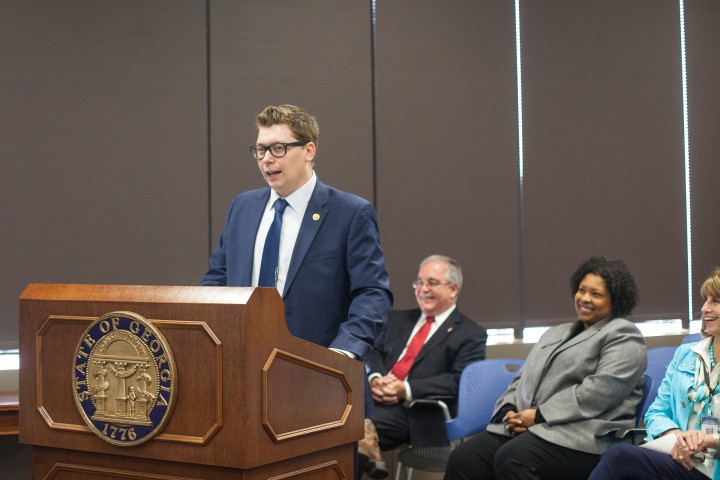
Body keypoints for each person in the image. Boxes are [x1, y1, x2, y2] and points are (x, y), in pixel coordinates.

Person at [199, 105, 393, 431]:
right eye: (260, 150)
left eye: (278, 148)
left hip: (319, 382)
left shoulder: (350, 213)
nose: (266, 159)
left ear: (308, 151)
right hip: (243, 379)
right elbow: (218, 278)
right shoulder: (242, 207)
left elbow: (373, 292)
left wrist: (342, 355)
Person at [444, 256, 646, 480]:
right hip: (540, 428)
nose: (585, 299)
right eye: (581, 290)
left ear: (615, 300)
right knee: (465, 458)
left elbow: (599, 392)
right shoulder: (555, 333)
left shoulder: (624, 335)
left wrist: (539, 415)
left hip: (588, 435)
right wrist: (509, 411)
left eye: (596, 294)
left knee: (513, 458)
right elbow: (522, 378)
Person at [360, 255, 487, 478]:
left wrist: (404, 389)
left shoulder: (471, 334)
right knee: (338, 424)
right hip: (373, 399)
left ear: (453, 289)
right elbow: (372, 350)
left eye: (432, 283)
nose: (423, 289)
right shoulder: (396, 318)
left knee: (347, 431)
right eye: (419, 282)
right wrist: (376, 378)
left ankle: (366, 439)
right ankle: (368, 444)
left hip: (418, 411)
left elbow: (458, 382)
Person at [588, 267, 720, 480]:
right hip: (681, 461)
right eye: (705, 300)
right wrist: (677, 437)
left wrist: (709, 440)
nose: (705, 308)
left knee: (619, 457)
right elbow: (657, 411)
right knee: (618, 459)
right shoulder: (687, 354)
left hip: (712, 469)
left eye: (716, 301)